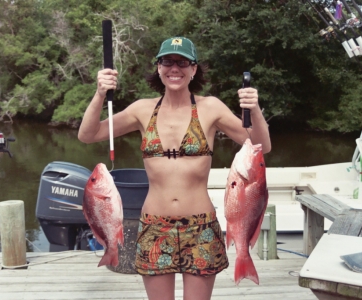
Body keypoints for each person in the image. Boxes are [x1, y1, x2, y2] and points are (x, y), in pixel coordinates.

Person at [78, 36, 271, 300]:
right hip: (154, 226)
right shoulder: (142, 110)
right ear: (158, 67)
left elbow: (261, 145)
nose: (174, 68)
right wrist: (100, 94)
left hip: (201, 226)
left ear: (194, 69)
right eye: (168, 61)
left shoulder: (211, 107)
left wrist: (254, 109)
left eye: (182, 62)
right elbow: (88, 134)